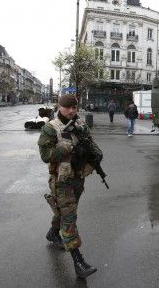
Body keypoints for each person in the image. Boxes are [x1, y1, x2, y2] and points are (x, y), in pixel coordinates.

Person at [37, 94, 99, 279]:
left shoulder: (80, 124)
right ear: (59, 106)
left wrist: (96, 155)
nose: (71, 111)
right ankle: (79, 262)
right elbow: (46, 155)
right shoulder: (50, 128)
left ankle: (52, 233)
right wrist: (70, 148)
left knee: (65, 213)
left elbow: (90, 142)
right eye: (68, 107)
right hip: (61, 181)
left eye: (74, 107)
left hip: (78, 178)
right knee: (69, 217)